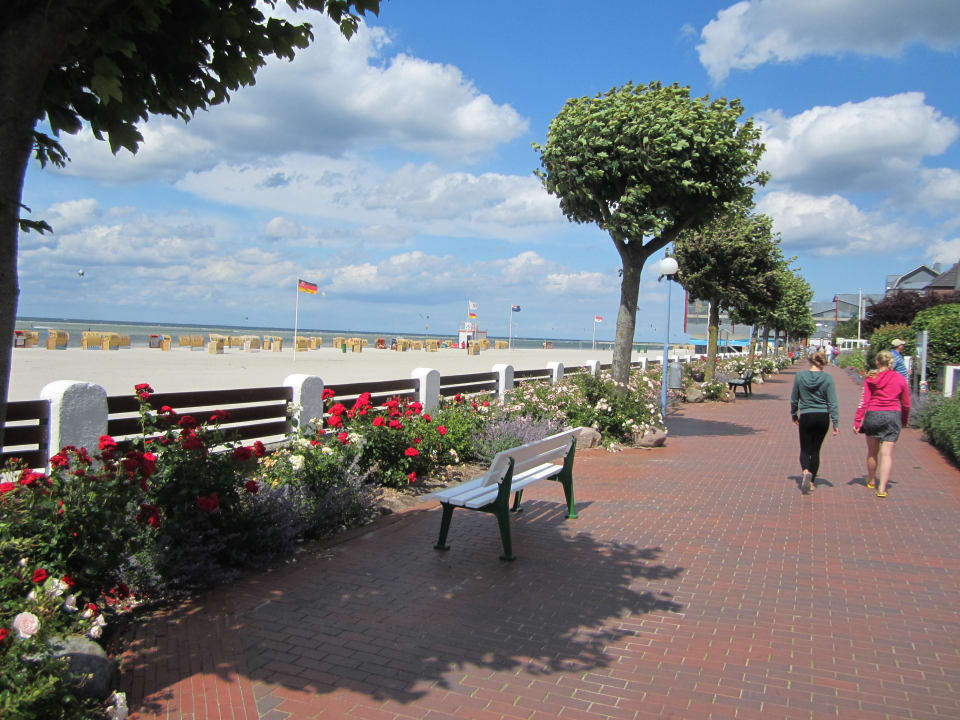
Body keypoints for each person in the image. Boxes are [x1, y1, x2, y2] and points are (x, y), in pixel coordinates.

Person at [853, 350, 911, 498]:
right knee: (887, 454)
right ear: (891, 362)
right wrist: (904, 420)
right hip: (893, 416)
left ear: (877, 362)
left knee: (872, 452)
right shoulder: (900, 379)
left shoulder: (871, 378)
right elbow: (906, 404)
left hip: (873, 415)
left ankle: (872, 480)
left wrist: (857, 421)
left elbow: (864, 401)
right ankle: (882, 488)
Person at [790, 351, 839, 494]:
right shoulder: (828, 379)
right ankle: (811, 483)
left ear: (810, 361)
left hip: (806, 415)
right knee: (816, 450)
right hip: (822, 416)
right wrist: (835, 422)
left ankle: (805, 471)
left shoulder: (800, 376)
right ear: (823, 362)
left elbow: (794, 398)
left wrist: (794, 414)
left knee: (805, 449)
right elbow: (832, 402)